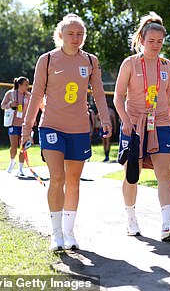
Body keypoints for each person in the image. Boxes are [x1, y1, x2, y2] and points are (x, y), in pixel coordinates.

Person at [21, 13, 112, 251]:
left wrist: (105, 119)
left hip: (79, 128)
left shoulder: (90, 61)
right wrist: (26, 129)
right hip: (51, 126)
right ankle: (56, 233)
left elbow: (100, 93)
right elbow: (36, 95)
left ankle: (70, 233)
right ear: (60, 35)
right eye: (71, 34)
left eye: (80, 34)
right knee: (57, 177)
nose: (76, 38)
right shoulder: (48, 60)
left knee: (73, 181)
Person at [113, 12, 170, 241]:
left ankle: (166, 223)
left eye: (160, 42)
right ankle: (131, 219)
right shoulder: (130, 63)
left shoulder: (167, 66)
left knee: (165, 173)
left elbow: (167, 95)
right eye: (151, 41)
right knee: (132, 175)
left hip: (160, 122)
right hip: (134, 123)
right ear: (141, 40)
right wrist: (125, 121)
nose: (156, 46)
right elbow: (118, 96)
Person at [0, 76, 30, 177]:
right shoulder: (10, 93)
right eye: (26, 85)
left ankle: (20, 169)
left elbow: (32, 109)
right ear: (20, 85)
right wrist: (10, 104)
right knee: (13, 146)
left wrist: (32, 120)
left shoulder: (29, 96)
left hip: (25, 125)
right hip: (13, 123)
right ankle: (12, 162)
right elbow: (2, 106)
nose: (28, 86)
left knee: (23, 147)